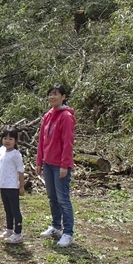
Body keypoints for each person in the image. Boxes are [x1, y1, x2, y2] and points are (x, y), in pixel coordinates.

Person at [36, 83, 76, 248]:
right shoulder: (48, 115)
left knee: (63, 199)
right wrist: (39, 161)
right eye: (50, 94)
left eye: (56, 94)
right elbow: (42, 141)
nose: (52, 97)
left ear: (63, 97)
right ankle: (55, 226)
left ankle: (68, 233)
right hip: (47, 163)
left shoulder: (66, 116)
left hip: (60, 165)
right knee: (52, 197)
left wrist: (64, 165)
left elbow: (68, 142)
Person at [0, 126, 26, 244]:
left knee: (15, 209)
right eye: (5, 138)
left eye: (10, 139)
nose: (7, 141)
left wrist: (21, 186)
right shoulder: (1, 151)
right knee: (7, 209)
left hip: (12, 186)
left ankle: (18, 233)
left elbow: (21, 170)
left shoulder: (16, 154)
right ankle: (9, 229)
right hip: (3, 185)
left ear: (16, 141)